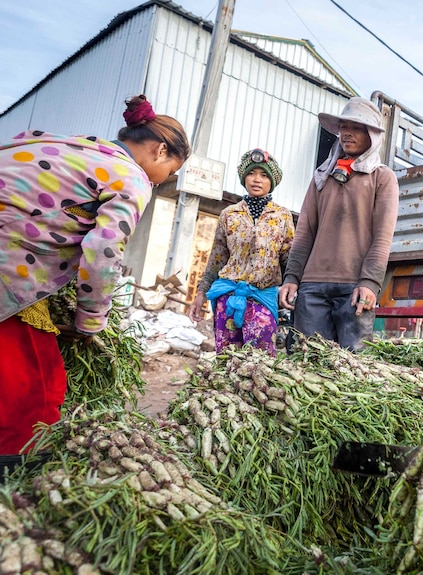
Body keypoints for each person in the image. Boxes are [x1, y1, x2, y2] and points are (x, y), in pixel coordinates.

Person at [0, 94, 190, 455]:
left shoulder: (73, 146)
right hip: (8, 264)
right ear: (160, 151)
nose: (164, 180)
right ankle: (14, 474)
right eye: (171, 172)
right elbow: (102, 253)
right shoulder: (131, 177)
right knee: (37, 390)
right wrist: (90, 322)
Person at [277, 97, 398, 351]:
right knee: (307, 361)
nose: (347, 134)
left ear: (372, 135)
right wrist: (291, 278)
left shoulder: (382, 178)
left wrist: (369, 283)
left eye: (356, 128)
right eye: (344, 127)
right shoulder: (322, 176)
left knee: (354, 370)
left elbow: (382, 238)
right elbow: (304, 232)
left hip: (354, 288)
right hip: (312, 288)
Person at [189, 149, 294, 355]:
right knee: (228, 361)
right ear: (243, 177)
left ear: (272, 181)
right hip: (227, 296)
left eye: (264, 175)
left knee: (260, 363)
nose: (257, 180)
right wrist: (201, 293)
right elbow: (217, 258)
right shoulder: (229, 214)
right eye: (252, 173)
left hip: (262, 298)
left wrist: (292, 287)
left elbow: (288, 258)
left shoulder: (282, 216)